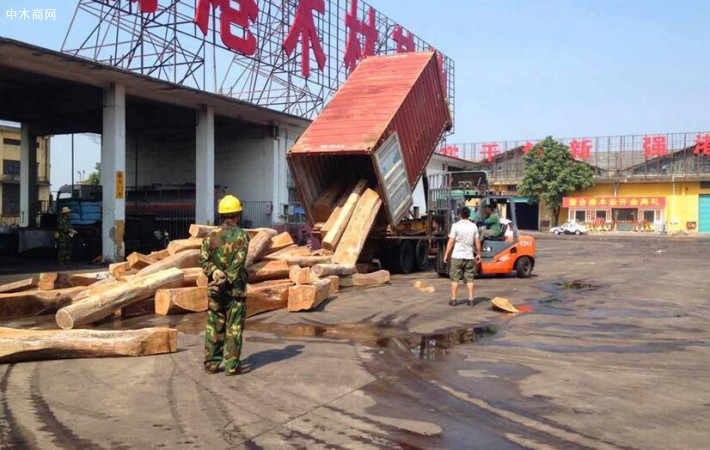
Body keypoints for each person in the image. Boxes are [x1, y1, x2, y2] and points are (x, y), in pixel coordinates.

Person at [201, 195, 251, 376]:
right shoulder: (242, 236)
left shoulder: (209, 236)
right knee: (234, 327)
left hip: (215, 289)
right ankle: (231, 366)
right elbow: (238, 263)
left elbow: (204, 261)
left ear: (221, 215)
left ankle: (212, 364)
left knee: (214, 325)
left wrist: (214, 273)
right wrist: (228, 279)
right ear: (238, 214)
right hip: (234, 290)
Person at [443, 207, 482, 306]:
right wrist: (478, 254)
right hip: (469, 256)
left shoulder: (455, 226)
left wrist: (446, 255)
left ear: (460, 214)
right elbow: (477, 241)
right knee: (470, 279)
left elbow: (451, 241)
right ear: (469, 215)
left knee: (455, 278)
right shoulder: (473, 226)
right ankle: (471, 299)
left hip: (457, 255)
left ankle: (454, 300)